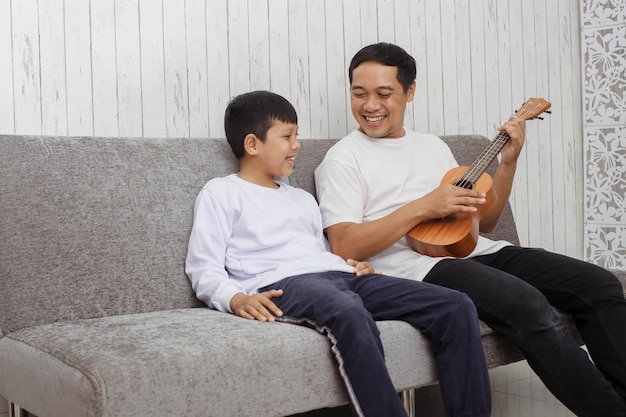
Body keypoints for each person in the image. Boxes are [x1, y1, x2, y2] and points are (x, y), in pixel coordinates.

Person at [314, 42, 626, 417]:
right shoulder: (343, 158)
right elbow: (344, 244)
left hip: (474, 250)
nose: (370, 105)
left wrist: (507, 164)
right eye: (359, 93)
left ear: (410, 92)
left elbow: (484, 223)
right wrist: (422, 207)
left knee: (600, 284)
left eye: (384, 93)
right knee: (526, 304)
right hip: (414, 268)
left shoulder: (433, 146)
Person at [185, 90, 492, 417]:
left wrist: (353, 265)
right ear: (252, 144)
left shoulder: (301, 199)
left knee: (454, 304)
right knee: (346, 310)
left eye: (297, 135)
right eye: (287, 136)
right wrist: (236, 299)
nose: (296, 145)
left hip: (340, 277)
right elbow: (203, 267)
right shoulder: (221, 193)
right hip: (282, 284)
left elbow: (318, 252)